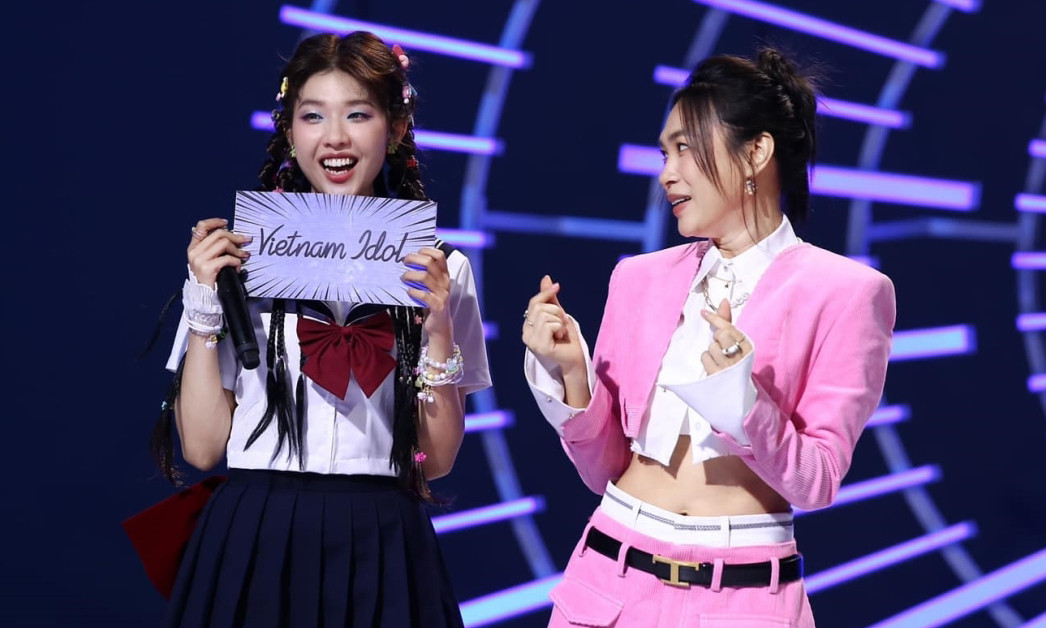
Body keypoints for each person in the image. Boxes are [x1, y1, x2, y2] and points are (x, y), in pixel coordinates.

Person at [522, 48, 895, 627]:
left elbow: (817, 480)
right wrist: (573, 373)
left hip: (745, 594)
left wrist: (743, 402)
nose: (667, 173)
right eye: (664, 153)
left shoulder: (849, 292)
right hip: (610, 578)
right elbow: (603, 470)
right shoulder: (637, 278)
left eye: (685, 148)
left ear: (756, 152)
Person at [148, 31, 490, 627]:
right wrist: (204, 299)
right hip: (257, 531)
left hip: (383, 534)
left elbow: (435, 461)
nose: (335, 137)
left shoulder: (439, 269)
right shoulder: (236, 262)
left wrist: (437, 325)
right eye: (313, 116)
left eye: (358, 114)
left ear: (396, 128)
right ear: (289, 131)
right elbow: (201, 448)